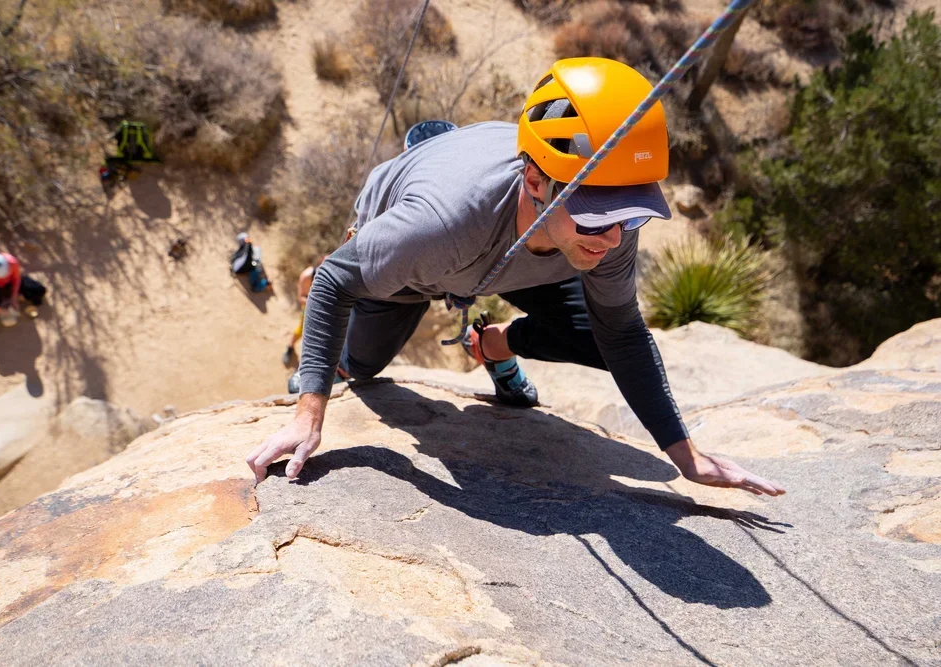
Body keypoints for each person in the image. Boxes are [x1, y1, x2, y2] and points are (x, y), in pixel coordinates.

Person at [247, 57, 786, 498]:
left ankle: (492, 345)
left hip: (524, 250)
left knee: (602, 338)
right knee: (362, 367)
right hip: (435, 255)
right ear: (535, 179)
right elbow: (336, 284)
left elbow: (623, 334)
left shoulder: (608, 227)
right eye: (596, 215)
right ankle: (417, 171)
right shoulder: (441, 225)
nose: (613, 238)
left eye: (630, 215)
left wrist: (685, 455)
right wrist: (309, 413)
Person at [0, 252, 46, 350]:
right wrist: (0, 310)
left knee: (40, 290)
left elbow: (17, 279)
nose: (2, 276)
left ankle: (12, 298)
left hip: (9, 282)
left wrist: (13, 297)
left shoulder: (12, 261)